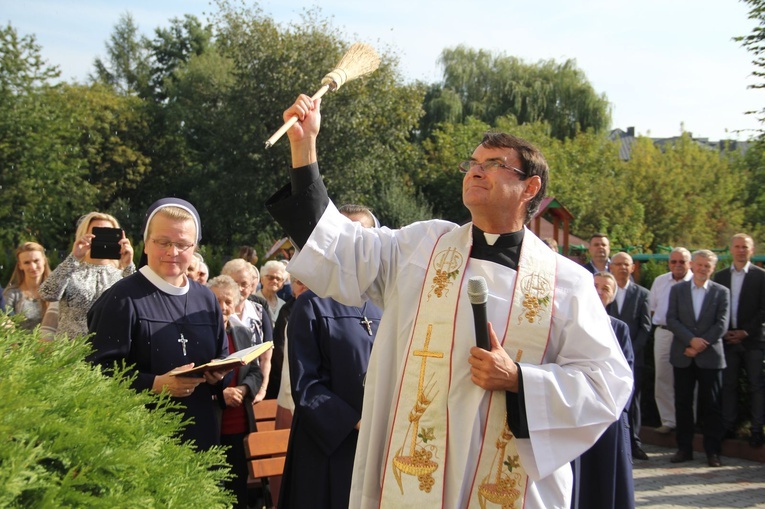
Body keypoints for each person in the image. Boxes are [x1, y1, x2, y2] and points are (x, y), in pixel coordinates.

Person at [265, 94, 632, 508]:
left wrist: (519, 379)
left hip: (506, 481)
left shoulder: (567, 282)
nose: (475, 171)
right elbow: (340, 248)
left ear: (530, 187)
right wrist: (304, 147)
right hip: (413, 472)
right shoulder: (423, 247)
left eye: (493, 165)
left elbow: (608, 386)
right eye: (472, 163)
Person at [87, 197, 230, 451]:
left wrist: (217, 374)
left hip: (200, 434)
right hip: (141, 439)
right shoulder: (121, 299)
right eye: (163, 242)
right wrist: (154, 385)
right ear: (146, 244)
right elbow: (97, 371)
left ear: (194, 247)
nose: (172, 252)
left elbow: (220, 355)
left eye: (182, 244)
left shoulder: (206, 298)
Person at [279, 204, 384, 509]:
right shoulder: (310, 305)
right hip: (329, 445)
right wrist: (357, 423)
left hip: (377, 442)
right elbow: (306, 385)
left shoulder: (383, 304)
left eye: (362, 236)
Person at [572, 271, 634, 509]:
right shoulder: (571, 322)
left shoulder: (619, 328)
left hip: (608, 414)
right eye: (595, 286)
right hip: (578, 411)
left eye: (605, 289)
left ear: (612, 296)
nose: (599, 292)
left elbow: (626, 374)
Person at [667, 249, 729, 467]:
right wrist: (690, 341)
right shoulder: (678, 290)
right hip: (683, 354)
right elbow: (671, 319)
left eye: (708, 266)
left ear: (713, 269)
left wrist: (700, 345)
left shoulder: (721, 292)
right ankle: (684, 449)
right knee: (683, 403)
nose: (703, 269)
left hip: (710, 356)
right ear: (692, 265)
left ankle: (713, 452)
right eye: (700, 265)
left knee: (711, 405)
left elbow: (722, 323)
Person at [207, 275, 264, 509]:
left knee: (237, 488)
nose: (223, 307)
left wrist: (242, 388)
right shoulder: (200, 334)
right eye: (217, 300)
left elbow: (255, 372)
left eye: (228, 301)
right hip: (211, 426)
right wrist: (221, 396)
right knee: (213, 488)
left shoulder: (242, 333)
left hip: (238, 425)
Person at [39, 212, 135, 339]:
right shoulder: (70, 270)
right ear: (84, 235)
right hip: (71, 351)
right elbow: (47, 293)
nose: (103, 238)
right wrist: (74, 257)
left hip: (109, 350)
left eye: (109, 233)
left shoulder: (123, 275)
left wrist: (128, 265)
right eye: (97, 232)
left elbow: (139, 304)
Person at [713, 233, 765, 447]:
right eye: (737, 246)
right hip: (728, 339)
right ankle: (728, 426)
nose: (741, 250)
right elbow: (717, 307)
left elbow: (764, 310)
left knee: (756, 385)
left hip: (753, 341)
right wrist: (726, 331)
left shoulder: (761, 276)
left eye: (745, 247)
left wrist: (746, 332)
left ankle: (756, 429)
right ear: (731, 250)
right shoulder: (721, 276)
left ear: (751, 250)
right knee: (729, 385)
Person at [608, 251, 652, 460]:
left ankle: (634, 442)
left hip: (633, 357)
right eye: (618, 264)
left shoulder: (642, 293)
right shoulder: (601, 290)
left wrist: (629, 351)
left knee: (633, 399)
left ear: (632, 268)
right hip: (606, 357)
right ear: (611, 267)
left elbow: (645, 327)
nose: (622, 268)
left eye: (626, 264)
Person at [649, 246, 693, 434]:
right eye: (673, 261)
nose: (677, 265)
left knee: (690, 379)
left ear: (689, 263)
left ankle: (690, 421)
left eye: (682, 261)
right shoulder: (660, 281)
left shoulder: (696, 281)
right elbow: (652, 309)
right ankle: (669, 420)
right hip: (664, 332)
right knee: (663, 377)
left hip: (688, 335)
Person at [221, 258, 273, 403]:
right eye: (234, 283)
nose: (239, 289)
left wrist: (261, 389)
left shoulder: (259, 311)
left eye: (244, 284)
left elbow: (266, 357)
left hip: (253, 387)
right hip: (224, 390)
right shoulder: (218, 312)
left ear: (252, 287)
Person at [4, 241, 51, 331]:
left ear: (44, 261)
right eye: (26, 263)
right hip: (21, 344)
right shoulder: (12, 294)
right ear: (20, 266)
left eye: (36, 261)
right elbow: (5, 323)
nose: (33, 267)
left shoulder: (57, 291)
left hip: (54, 344)